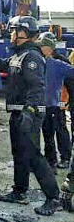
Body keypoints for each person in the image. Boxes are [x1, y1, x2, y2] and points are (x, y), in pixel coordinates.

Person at [0, 16, 61, 215]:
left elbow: (37, 87)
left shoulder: (31, 57)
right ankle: (19, 191)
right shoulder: (19, 56)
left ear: (24, 33)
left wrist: (29, 112)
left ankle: (53, 198)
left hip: (28, 113)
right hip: (18, 112)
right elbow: (0, 64)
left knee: (33, 156)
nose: (11, 34)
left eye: (14, 31)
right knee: (19, 153)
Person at [37, 34, 73, 171]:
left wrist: (69, 100)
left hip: (57, 104)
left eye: (42, 47)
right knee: (47, 135)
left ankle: (65, 158)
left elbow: (70, 79)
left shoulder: (58, 63)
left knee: (60, 131)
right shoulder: (38, 62)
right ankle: (50, 161)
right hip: (43, 105)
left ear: (49, 48)